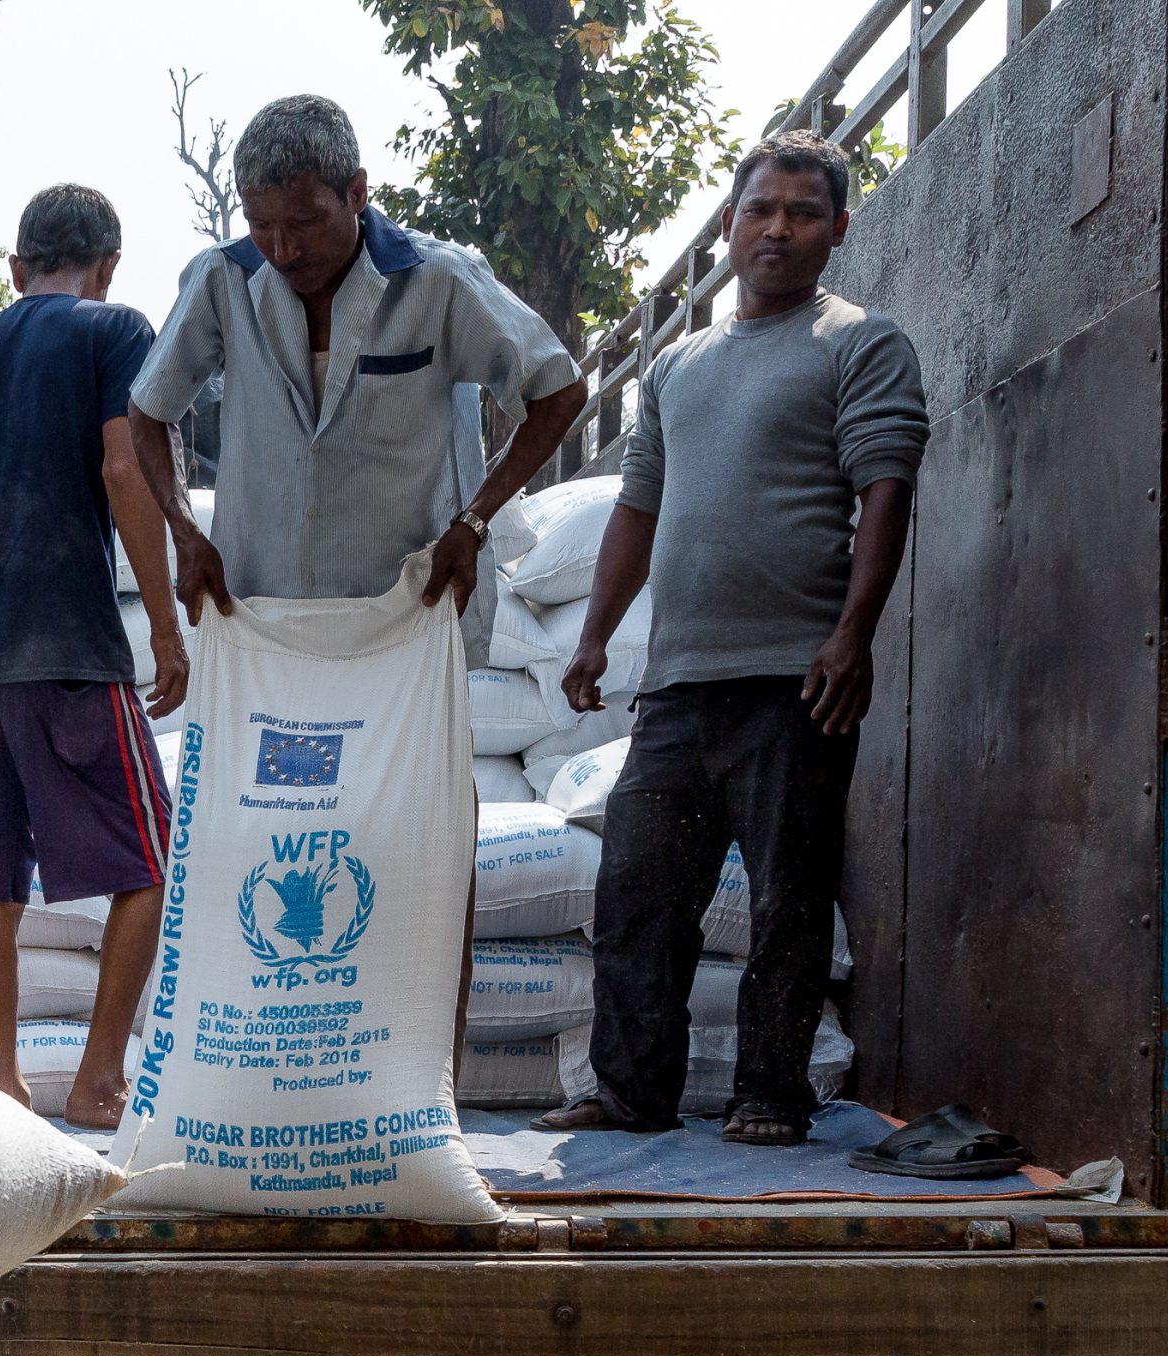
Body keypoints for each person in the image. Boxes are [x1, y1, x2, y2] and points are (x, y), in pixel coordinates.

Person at [537, 130, 925, 1146]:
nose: (779, 228)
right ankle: (629, 1090)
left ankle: (769, 1094)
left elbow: (886, 489)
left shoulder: (859, 342)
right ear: (728, 223)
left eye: (804, 212)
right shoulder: (676, 366)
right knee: (635, 895)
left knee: (789, 902)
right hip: (678, 686)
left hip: (796, 680)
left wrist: (854, 634)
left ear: (838, 230)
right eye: (761, 208)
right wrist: (592, 639)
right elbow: (637, 511)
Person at [126, 94, 589, 664]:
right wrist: (184, 529)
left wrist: (473, 521)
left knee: (409, 758)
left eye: (304, 222)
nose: (283, 249)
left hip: (406, 615)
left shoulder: (439, 280)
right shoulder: (222, 279)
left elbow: (560, 390)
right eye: (260, 224)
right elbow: (149, 408)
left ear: (356, 193)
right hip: (262, 617)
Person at [0, 182, 185, 1129]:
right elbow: (125, 470)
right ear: (107, 267)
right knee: (148, 862)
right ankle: (97, 1077)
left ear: (15, 266)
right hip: (73, 650)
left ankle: (2, 1082)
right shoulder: (114, 332)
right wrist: (162, 624)